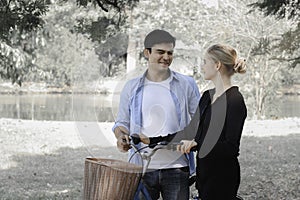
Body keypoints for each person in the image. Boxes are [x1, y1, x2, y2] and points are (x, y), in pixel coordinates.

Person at [143, 44, 247, 200]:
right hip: (204, 176)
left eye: (205, 62)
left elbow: (230, 147)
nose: (202, 67)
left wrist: (197, 144)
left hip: (223, 179)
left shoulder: (235, 100)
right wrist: (152, 140)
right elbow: (190, 132)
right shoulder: (206, 97)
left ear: (217, 65)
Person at [112, 29, 200, 200]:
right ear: (147, 52)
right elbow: (121, 123)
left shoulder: (186, 84)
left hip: (177, 167)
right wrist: (121, 137)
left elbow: (199, 122)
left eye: (170, 53)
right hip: (142, 168)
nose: (166, 57)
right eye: (160, 52)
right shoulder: (131, 86)